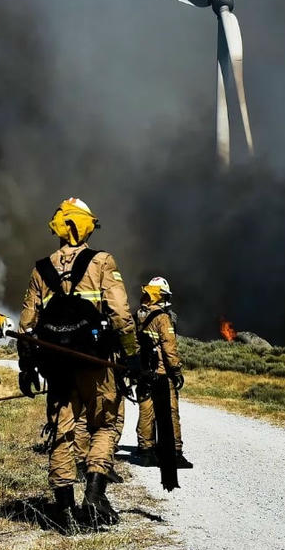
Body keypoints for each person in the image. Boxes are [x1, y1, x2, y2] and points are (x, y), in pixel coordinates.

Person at [18, 197, 136, 531]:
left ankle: (65, 514)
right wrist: (130, 354)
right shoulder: (102, 262)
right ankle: (95, 494)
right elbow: (121, 314)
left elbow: (27, 322)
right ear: (84, 226)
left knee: (62, 433)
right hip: (97, 365)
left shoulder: (41, 269)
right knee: (106, 426)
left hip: (57, 368)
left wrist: (27, 367)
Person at [132, 277, 192, 469]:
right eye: (164, 295)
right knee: (170, 412)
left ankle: (146, 452)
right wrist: (176, 370)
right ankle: (175, 453)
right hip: (161, 372)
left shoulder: (138, 315)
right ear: (159, 296)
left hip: (144, 372)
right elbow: (169, 348)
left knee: (146, 410)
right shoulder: (163, 318)